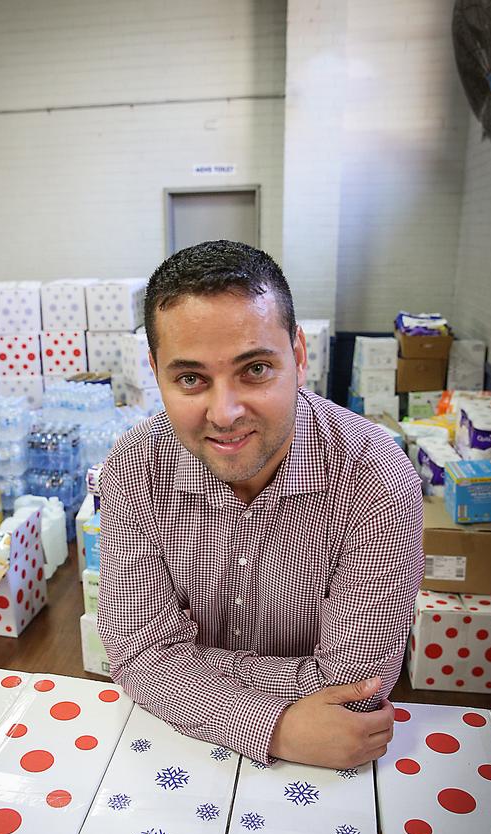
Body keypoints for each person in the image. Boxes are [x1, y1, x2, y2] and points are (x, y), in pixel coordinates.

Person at [98, 240, 424, 768]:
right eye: (190, 379)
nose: (224, 413)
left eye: (254, 370)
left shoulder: (376, 479)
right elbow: (136, 654)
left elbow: (355, 688)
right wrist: (277, 725)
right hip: (182, 755)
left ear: (298, 354)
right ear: (156, 371)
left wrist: (183, 673)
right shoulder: (134, 469)